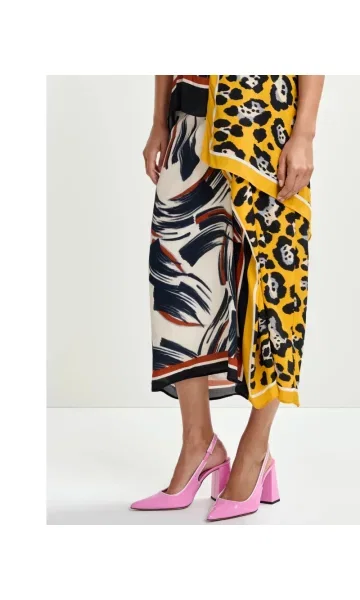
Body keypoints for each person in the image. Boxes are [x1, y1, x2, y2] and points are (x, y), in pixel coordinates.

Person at [131, 75, 324, 521]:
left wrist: (305, 134)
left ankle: (256, 451)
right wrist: (159, 120)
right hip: (188, 122)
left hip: (264, 127)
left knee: (273, 286)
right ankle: (198, 443)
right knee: (177, 280)